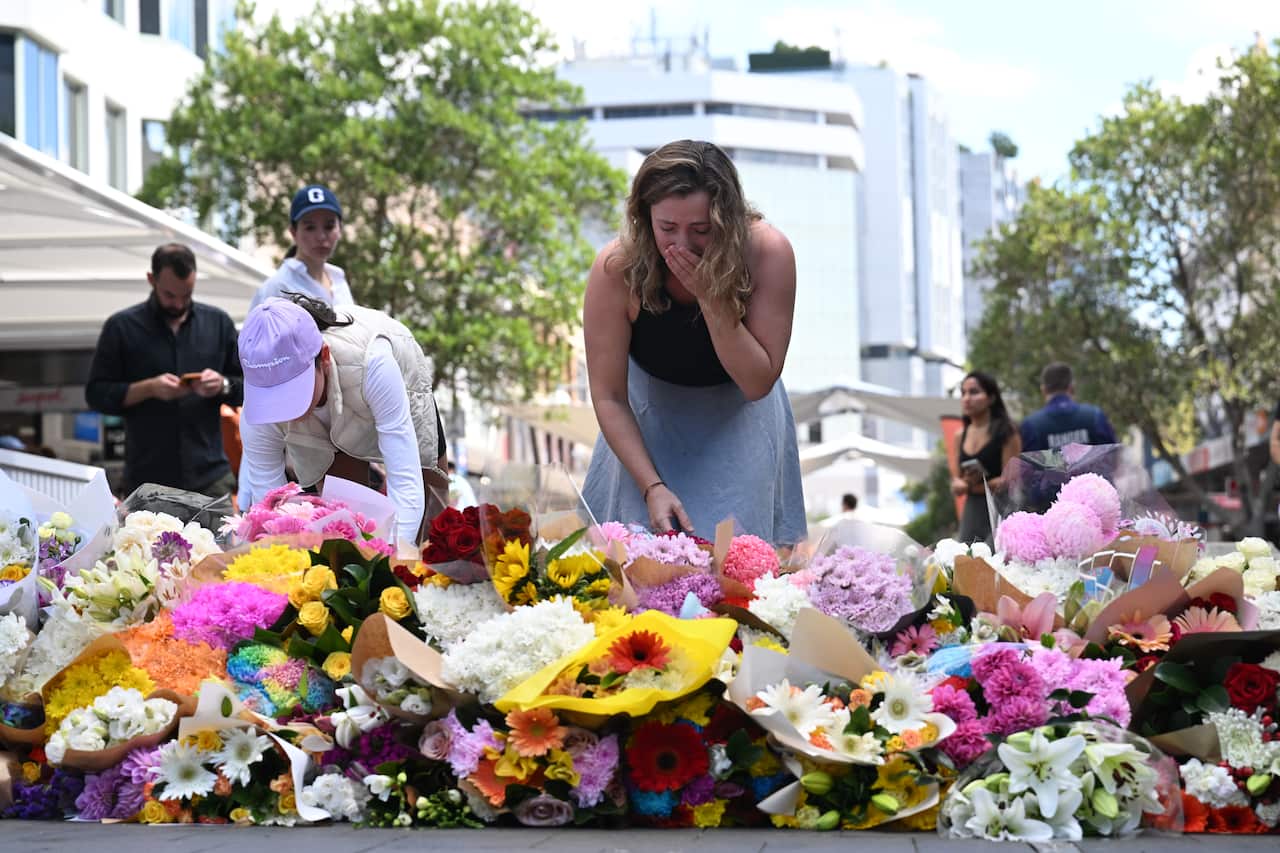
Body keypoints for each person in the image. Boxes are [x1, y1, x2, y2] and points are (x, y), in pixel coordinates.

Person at [581, 140, 806, 544]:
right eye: (667, 228)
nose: (681, 245)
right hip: (645, 420)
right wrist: (652, 486)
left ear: (729, 221)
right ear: (644, 218)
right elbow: (609, 396)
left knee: (738, 569)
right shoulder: (616, 268)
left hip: (741, 416)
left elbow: (758, 382)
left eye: (701, 231)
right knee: (635, 564)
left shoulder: (768, 252)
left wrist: (713, 300)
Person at [236, 295, 448, 550]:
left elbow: (405, 478)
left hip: (393, 387)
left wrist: (397, 557)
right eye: (272, 398)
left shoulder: (374, 362)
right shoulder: (255, 410)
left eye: (292, 393)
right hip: (332, 419)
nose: (284, 411)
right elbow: (268, 503)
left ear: (323, 357)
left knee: (435, 532)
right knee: (343, 530)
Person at [85, 243, 243, 497]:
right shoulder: (122, 327)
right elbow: (96, 394)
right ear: (151, 279)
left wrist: (222, 385)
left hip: (210, 476)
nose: (179, 303)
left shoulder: (218, 323)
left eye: (187, 294)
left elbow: (249, 387)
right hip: (148, 481)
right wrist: (148, 389)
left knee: (220, 539)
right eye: (170, 295)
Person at [249, 185, 355, 310]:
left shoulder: (339, 280)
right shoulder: (278, 287)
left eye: (329, 226)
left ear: (340, 229)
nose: (321, 236)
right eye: (310, 227)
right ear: (293, 232)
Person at [951, 371, 1021, 545]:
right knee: (965, 559)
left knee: (994, 560)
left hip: (1001, 508)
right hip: (972, 509)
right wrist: (960, 484)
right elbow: (956, 478)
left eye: (974, 392)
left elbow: (1011, 479)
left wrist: (973, 485)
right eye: (963, 393)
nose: (967, 398)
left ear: (991, 398)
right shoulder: (960, 435)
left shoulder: (1006, 432)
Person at [1020, 362, 1117, 452]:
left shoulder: (1030, 426)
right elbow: (1113, 457)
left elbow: (1024, 467)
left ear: (1043, 390)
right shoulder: (1095, 416)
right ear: (1072, 387)